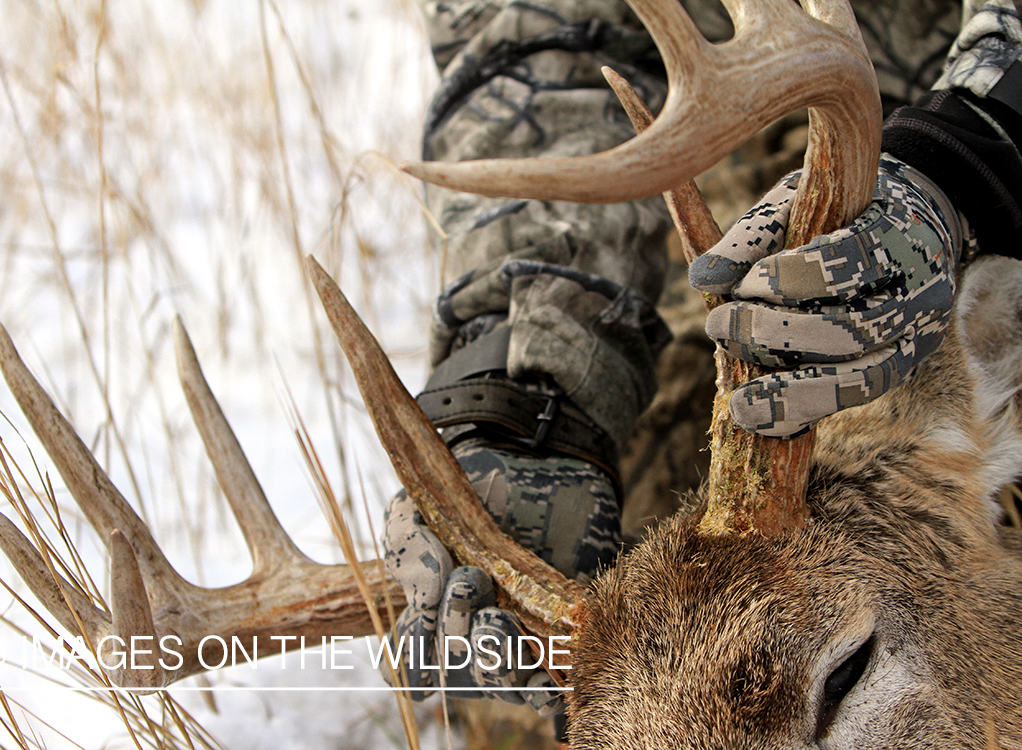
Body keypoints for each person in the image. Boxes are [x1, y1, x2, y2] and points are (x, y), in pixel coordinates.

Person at [382, 0, 1022, 742]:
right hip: (738, 237)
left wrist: (974, 150)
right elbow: (537, 52)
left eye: (848, 678)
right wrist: (525, 398)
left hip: (976, 138)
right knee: (559, 671)